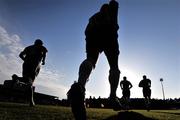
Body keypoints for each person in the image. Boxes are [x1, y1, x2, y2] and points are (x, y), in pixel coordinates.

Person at [67, 0, 120, 119]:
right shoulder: (112, 12)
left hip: (92, 34)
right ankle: (112, 96)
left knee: (90, 60)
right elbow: (114, 4)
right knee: (114, 66)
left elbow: (87, 31)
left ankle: (80, 86)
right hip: (109, 33)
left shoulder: (93, 17)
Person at [19, 39, 48, 106]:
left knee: (27, 80)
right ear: (40, 44)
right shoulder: (42, 48)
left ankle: (31, 101)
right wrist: (43, 61)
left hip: (26, 65)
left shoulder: (28, 47)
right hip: (35, 65)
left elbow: (20, 55)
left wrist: (25, 60)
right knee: (30, 82)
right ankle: (31, 102)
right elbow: (44, 54)